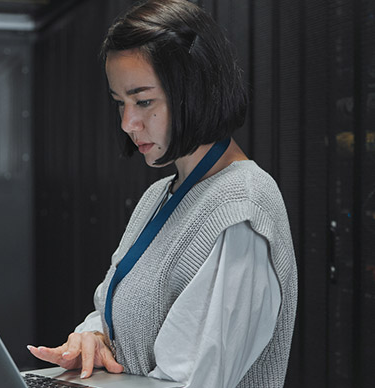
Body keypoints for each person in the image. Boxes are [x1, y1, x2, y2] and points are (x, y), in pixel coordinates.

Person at [27, 1, 298, 387]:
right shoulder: (160, 195)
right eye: (120, 102)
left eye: (143, 101)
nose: (126, 123)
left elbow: (191, 381)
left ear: (195, 90)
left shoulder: (242, 208)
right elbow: (113, 306)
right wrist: (93, 337)